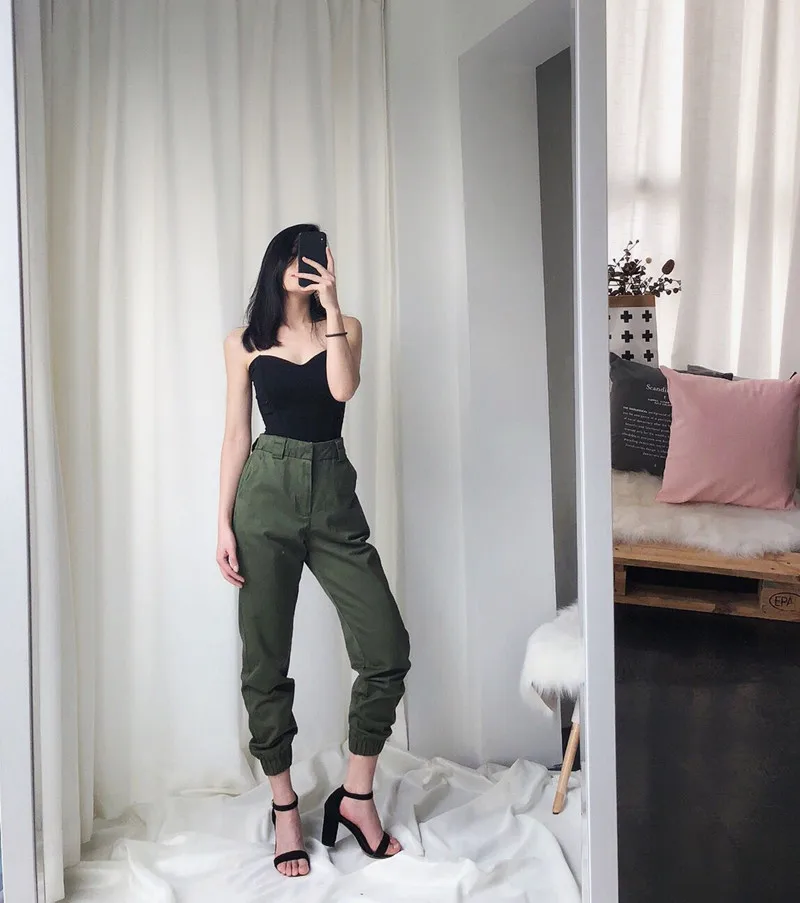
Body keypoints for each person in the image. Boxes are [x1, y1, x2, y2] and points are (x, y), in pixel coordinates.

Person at [216, 224, 411, 878]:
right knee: (265, 657)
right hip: (264, 497)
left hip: (332, 496)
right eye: (294, 259)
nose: (302, 269)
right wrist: (222, 522)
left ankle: (356, 795)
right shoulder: (244, 343)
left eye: (314, 260)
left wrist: (331, 304)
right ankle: (283, 807)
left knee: (386, 648)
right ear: (276, 265)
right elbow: (236, 434)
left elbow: (342, 391)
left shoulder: (345, 326)